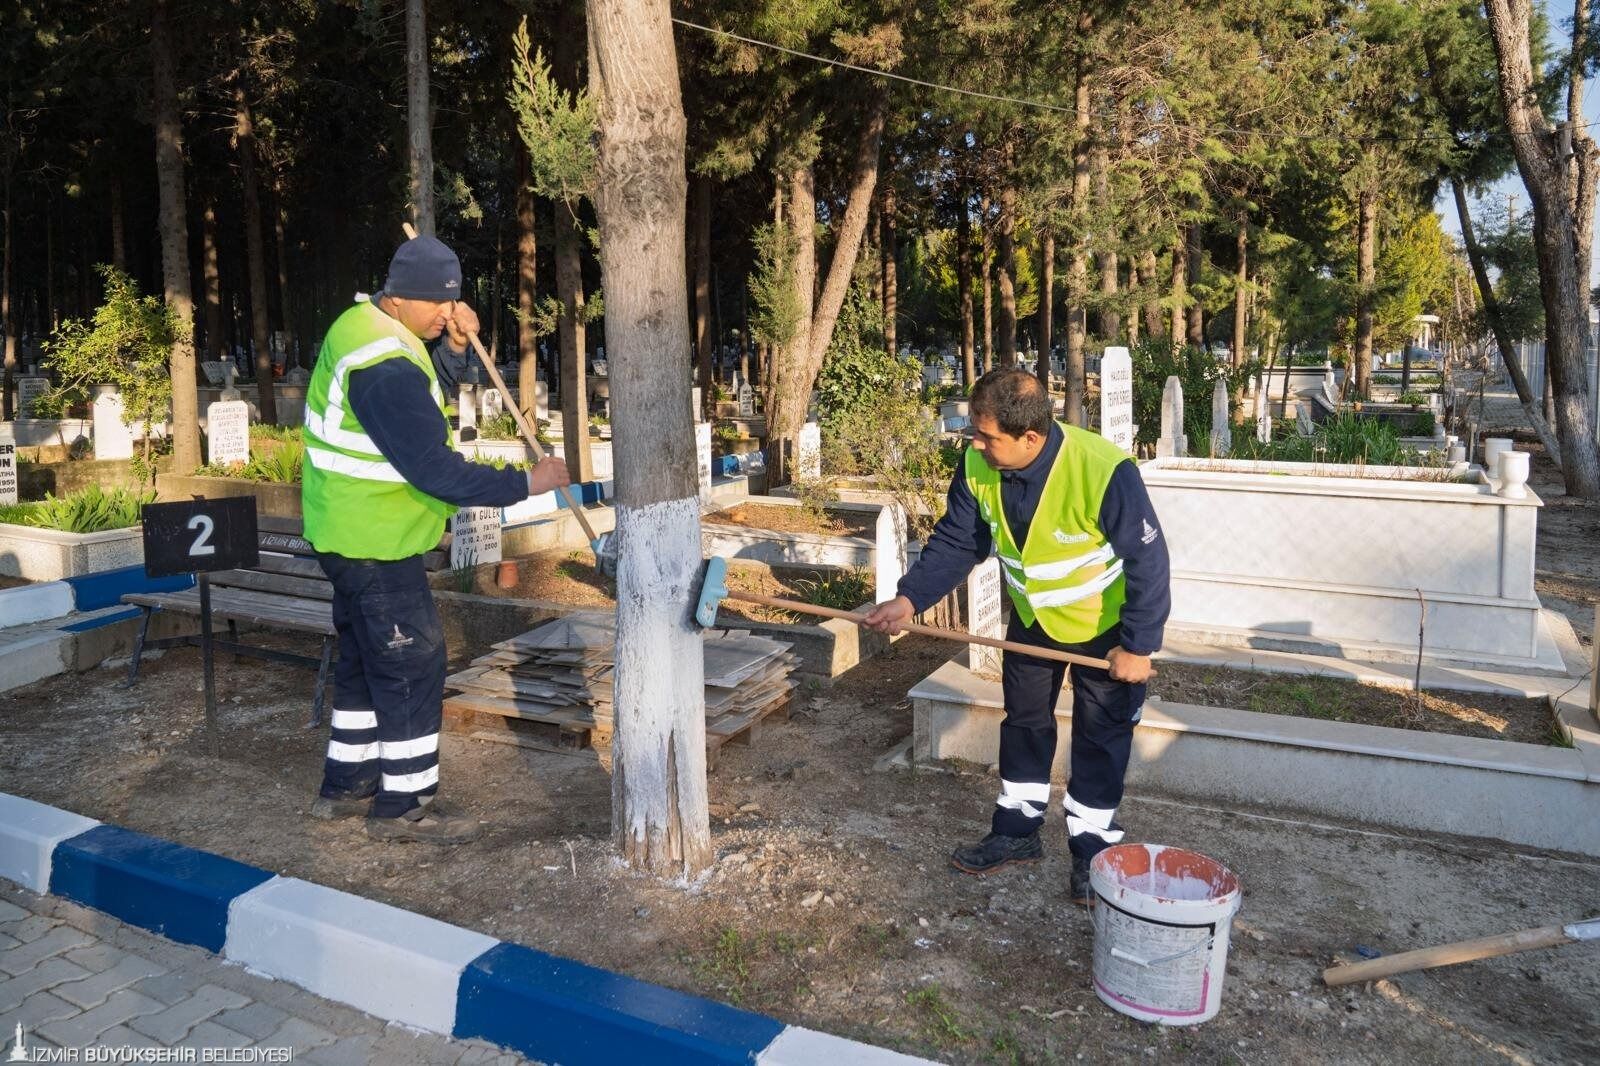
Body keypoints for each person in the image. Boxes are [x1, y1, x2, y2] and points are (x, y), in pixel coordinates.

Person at [863, 367, 1170, 904]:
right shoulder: (979, 466)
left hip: (1106, 628)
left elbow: (1148, 559)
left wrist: (1139, 645)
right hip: (1032, 620)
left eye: (987, 437)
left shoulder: (1102, 469)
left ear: (1031, 437)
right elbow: (959, 540)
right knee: (1025, 723)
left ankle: (1093, 848)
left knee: (1102, 735)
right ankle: (1016, 831)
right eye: (974, 433)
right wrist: (909, 598)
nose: (975, 445)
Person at [301, 235, 569, 844]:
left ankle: (347, 785)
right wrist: (528, 480)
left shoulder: (367, 327)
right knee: (413, 662)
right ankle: (406, 802)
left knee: (368, 661)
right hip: (374, 539)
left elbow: (423, 390)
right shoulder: (383, 365)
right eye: (437, 308)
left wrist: (450, 348)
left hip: (346, 529)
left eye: (453, 306)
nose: (448, 316)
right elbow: (433, 467)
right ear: (398, 297)